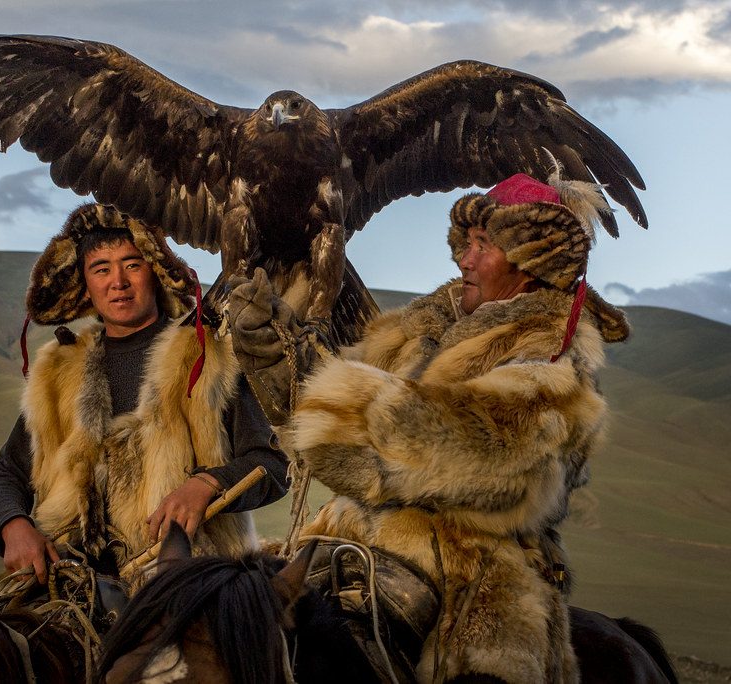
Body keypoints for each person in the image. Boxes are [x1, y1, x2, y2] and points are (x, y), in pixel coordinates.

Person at [228, 173, 631, 683]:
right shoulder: (425, 324)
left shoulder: (554, 357)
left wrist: (347, 410)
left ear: (529, 263)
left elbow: (491, 455)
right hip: (347, 537)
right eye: (466, 243)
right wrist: (274, 349)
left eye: (483, 246)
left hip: (474, 567)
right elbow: (323, 391)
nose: (464, 259)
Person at [0, 203, 288, 584]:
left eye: (132, 264)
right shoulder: (57, 373)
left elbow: (273, 464)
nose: (118, 282)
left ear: (155, 271)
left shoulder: (206, 354)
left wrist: (208, 484)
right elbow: (8, 472)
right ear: (85, 284)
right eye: (101, 269)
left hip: (191, 580)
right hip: (72, 582)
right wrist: (13, 525)